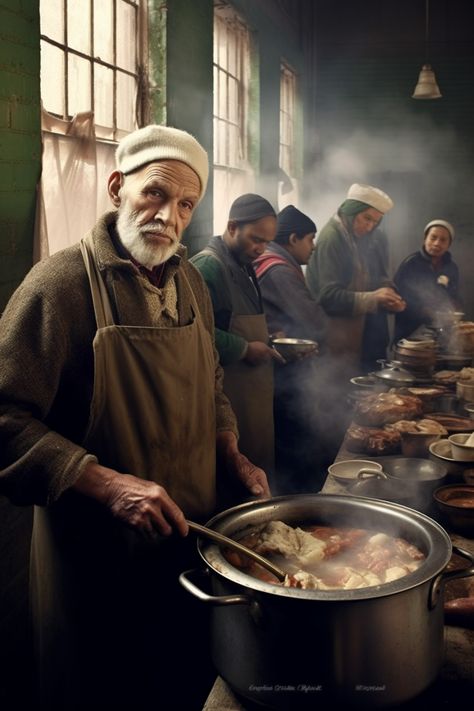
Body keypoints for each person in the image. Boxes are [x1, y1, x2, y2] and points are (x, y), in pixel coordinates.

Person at [0, 125, 271, 711]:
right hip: (96, 558)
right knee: (105, 688)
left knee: (179, 680)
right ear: (117, 187)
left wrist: (230, 447)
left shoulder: (190, 282)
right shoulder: (60, 286)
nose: (168, 217)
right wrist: (110, 486)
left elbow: (211, 381)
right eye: (154, 194)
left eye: (185, 205)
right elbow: (5, 417)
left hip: (188, 541)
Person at [191, 194, 282, 499]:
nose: (262, 249)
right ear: (232, 227)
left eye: (267, 242)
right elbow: (196, 334)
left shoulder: (244, 264)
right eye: (256, 240)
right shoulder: (207, 267)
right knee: (235, 478)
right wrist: (244, 348)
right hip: (229, 394)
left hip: (253, 392)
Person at [253, 205, 327, 493]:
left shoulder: (272, 262)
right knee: (293, 439)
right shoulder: (279, 270)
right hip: (282, 369)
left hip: (275, 364)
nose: (314, 246)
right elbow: (315, 321)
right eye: (310, 239)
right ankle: (298, 498)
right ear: (293, 239)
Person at [306, 182, 406, 376]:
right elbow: (328, 297)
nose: (369, 226)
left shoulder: (364, 236)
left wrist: (388, 292)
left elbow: (372, 276)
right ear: (351, 212)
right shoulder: (332, 238)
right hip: (332, 335)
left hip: (357, 335)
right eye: (366, 218)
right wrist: (374, 298)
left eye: (375, 222)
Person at [393, 219, 462, 343]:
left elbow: (453, 294)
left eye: (443, 240)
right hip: (409, 331)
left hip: (442, 332)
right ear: (425, 239)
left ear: (449, 244)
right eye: (433, 237)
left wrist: (453, 308)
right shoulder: (411, 264)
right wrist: (424, 310)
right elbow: (397, 296)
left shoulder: (452, 267)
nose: (436, 243)